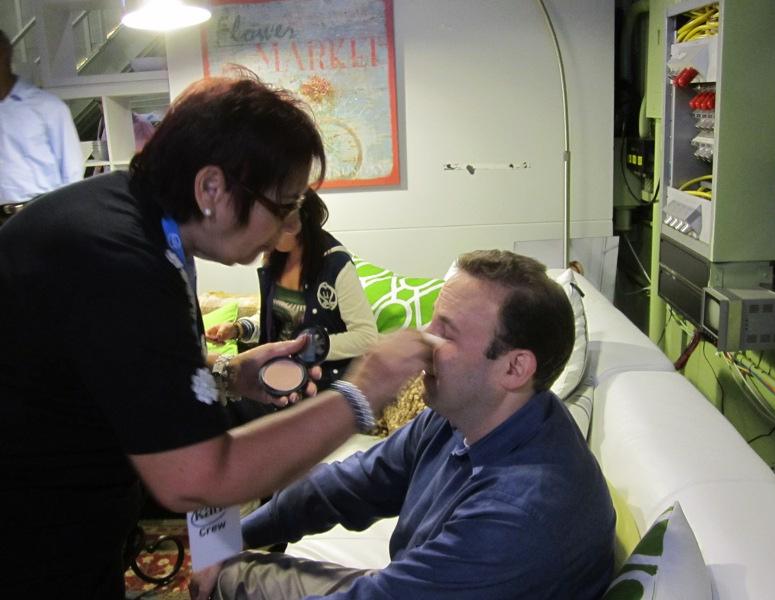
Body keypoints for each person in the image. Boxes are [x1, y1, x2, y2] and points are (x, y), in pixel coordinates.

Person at [0, 73, 432, 599]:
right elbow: (195, 478)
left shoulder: (138, 224)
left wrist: (228, 374)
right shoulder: (116, 258)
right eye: (283, 206)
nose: (287, 229)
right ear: (211, 189)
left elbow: (123, 373)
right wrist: (363, 393)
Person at [194, 250, 617, 600]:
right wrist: (233, 538)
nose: (420, 340)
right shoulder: (459, 416)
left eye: (445, 332)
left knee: (226, 581)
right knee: (227, 570)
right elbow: (346, 486)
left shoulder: (520, 513)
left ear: (515, 368)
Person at [206, 188, 379, 394]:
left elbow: (366, 337)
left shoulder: (335, 264)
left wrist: (307, 347)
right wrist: (239, 329)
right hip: (278, 373)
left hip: (323, 381)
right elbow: (274, 322)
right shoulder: (273, 258)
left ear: (299, 221)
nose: (268, 234)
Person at [0, 28, 83, 223]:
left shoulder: (47, 107)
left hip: (39, 213)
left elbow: (72, 175)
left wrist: (66, 220)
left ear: (5, 55)